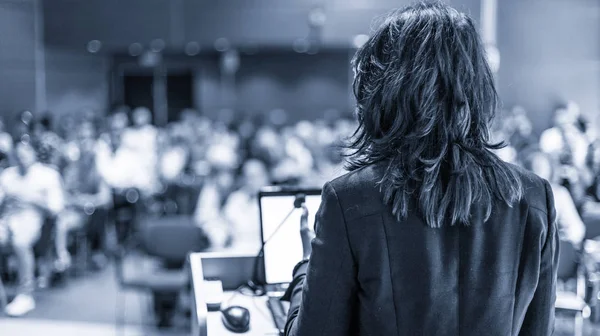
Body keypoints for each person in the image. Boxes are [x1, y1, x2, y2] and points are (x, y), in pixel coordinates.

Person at [281, 3, 558, 335]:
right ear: (477, 85)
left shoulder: (349, 200)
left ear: (381, 90)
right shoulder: (534, 197)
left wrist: (304, 270)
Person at [0, 139, 64, 317]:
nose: (21, 158)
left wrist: (31, 199)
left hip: (35, 220)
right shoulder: (7, 175)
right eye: (18, 154)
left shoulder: (49, 175)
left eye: (26, 153)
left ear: (35, 154)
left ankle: (25, 294)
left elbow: (56, 207)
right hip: (7, 218)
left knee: (20, 242)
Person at [523, 152, 586, 246]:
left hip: (552, 248)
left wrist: (563, 236)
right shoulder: (520, 195)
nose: (538, 172)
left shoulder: (560, 194)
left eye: (542, 167)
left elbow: (577, 229)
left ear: (550, 169)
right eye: (534, 167)